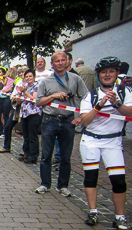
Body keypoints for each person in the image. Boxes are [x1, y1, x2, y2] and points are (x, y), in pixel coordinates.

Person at [79, 56, 132, 230]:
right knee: (91, 177)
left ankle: (119, 217)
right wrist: (100, 105)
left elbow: (130, 113)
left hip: (113, 141)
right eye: (104, 72)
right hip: (91, 140)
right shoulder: (91, 95)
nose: (107, 75)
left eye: (111, 71)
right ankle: (93, 211)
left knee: (118, 181)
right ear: (98, 75)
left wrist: (116, 103)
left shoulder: (125, 92)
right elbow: (85, 121)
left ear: (117, 73)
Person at [35, 51, 88, 196]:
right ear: (52, 64)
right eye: (57, 61)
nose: (60, 63)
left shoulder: (76, 79)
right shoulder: (46, 81)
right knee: (46, 154)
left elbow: (86, 98)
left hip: (68, 120)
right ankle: (45, 184)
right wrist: (53, 96)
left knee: (65, 156)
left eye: (62, 60)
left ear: (67, 62)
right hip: (50, 119)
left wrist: (80, 117)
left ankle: (63, 185)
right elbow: (39, 102)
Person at [0, 66, 27, 153]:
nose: (21, 74)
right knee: (8, 127)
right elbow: (14, 94)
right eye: (20, 73)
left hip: (26, 110)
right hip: (17, 108)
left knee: (25, 131)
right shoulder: (18, 82)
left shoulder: (30, 84)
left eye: (23, 72)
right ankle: (6, 146)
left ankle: (25, 151)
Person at [18, 69, 42, 164]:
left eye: (30, 76)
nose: (28, 78)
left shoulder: (37, 86)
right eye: (27, 76)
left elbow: (34, 99)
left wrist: (25, 92)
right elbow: (20, 101)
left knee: (32, 135)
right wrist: (20, 94)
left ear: (34, 77)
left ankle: (33, 156)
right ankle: (26, 154)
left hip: (34, 112)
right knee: (26, 135)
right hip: (25, 113)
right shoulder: (25, 86)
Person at [0, 67, 17, 138]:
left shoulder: (7, 79)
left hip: (6, 97)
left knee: (5, 115)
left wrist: (2, 81)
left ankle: (5, 132)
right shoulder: (13, 79)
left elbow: (8, 86)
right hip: (3, 96)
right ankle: (0, 131)